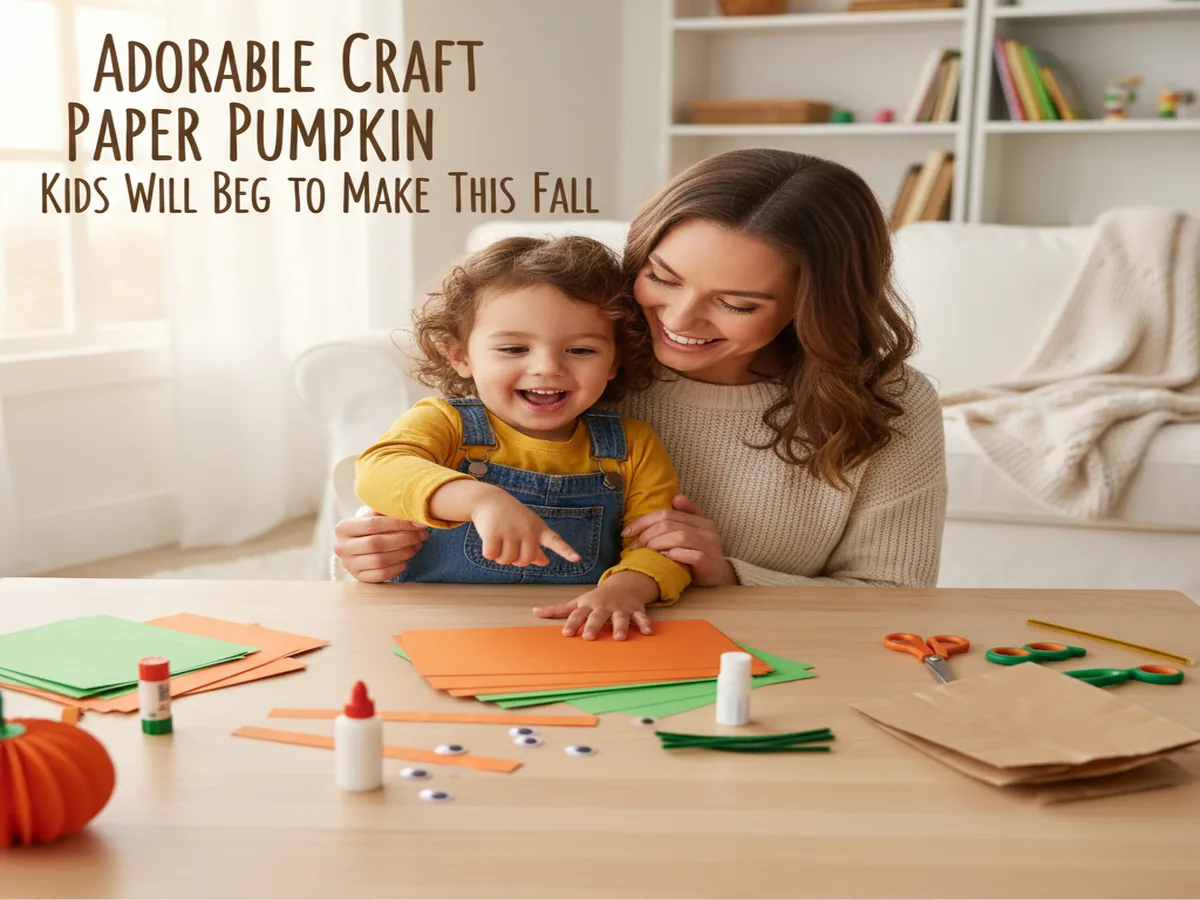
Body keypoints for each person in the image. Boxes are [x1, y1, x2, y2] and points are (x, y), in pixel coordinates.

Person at [336, 148, 948, 637]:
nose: (678, 319)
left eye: (737, 304)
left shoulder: (889, 403)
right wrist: (372, 544)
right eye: (662, 277)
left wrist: (727, 577)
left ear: (814, 308)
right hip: (486, 637)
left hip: (742, 655)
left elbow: (895, 602)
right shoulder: (585, 348)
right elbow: (400, 474)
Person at [354, 234, 691, 641]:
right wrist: (480, 499)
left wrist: (627, 588)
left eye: (581, 350)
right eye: (514, 349)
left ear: (614, 361)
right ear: (460, 355)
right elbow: (377, 470)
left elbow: (660, 544)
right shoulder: (444, 423)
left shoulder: (632, 444)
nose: (547, 368)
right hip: (433, 629)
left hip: (571, 636)